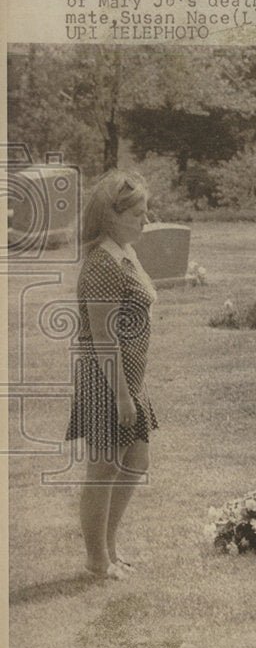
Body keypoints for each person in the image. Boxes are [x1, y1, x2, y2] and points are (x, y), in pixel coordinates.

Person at [65, 170, 158, 579]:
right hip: (107, 379)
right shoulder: (103, 262)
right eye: (137, 213)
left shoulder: (123, 253)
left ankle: (110, 550)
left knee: (135, 459)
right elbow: (103, 337)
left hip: (128, 378)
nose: (146, 220)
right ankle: (96, 562)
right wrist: (121, 395)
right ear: (111, 216)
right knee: (103, 468)